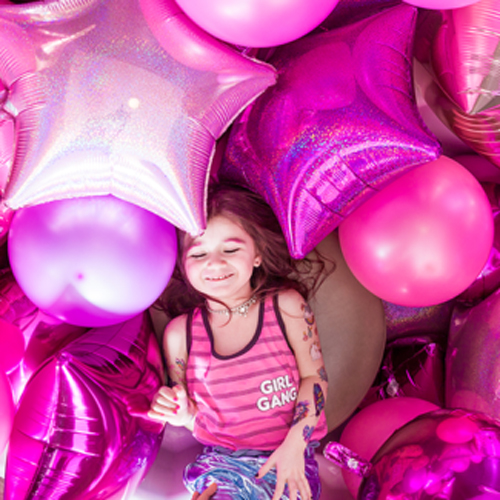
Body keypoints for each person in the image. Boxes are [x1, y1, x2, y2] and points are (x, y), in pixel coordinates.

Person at [148, 183, 329, 500]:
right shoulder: (179, 334)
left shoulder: (286, 306)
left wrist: (293, 447)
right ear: (183, 265)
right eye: (199, 253)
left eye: (230, 250)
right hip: (222, 463)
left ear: (257, 255)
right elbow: (192, 415)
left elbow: (314, 379)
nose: (215, 263)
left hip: (289, 456)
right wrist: (179, 412)